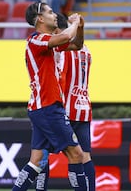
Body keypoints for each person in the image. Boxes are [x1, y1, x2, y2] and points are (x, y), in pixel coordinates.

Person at [12, 2, 87, 191]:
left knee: (36, 161)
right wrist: (75, 22)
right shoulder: (36, 40)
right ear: (40, 18)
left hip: (41, 108)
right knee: (77, 155)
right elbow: (67, 35)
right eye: (50, 12)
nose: (55, 15)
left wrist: (81, 28)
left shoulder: (48, 43)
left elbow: (77, 44)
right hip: (48, 107)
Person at [56, 13, 95, 191]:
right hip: (83, 106)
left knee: (40, 154)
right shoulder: (86, 49)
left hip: (65, 109)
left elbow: (59, 77)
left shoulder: (62, 49)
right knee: (85, 156)